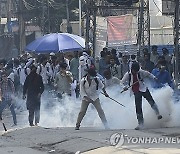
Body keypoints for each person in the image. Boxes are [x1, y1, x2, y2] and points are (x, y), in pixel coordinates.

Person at [121, 62, 162, 130]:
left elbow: (148, 74)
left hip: (143, 88)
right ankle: (141, 124)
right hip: (136, 91)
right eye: (135, 70)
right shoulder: (128, 74)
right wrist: (124, 87)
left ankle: (158, 113)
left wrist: (154, 78)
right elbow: (121, 82)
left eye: (137, 70)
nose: (136, 72)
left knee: (151, 101)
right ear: (132, 69)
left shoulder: (140, 72)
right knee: (138, 107)